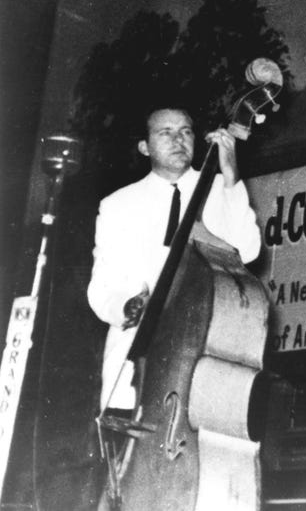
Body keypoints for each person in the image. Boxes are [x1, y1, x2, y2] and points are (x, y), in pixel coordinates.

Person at [87, 105, 261, 412]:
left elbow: (247, 250)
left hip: (199, 361)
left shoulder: (222, 187)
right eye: (165, 132)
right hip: (134, 360)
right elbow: (101, 288)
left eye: (186, 131)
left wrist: (231, 175)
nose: (178, 139)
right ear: (144, 146)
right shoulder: (117, 205)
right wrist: (126, 307)